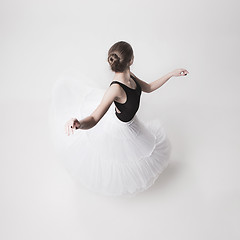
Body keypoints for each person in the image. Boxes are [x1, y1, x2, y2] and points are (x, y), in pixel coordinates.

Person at [49, 41, 189, 197]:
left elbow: (148, 87)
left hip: (131, 122)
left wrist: (171, 74)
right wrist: (79, 124)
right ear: (131, 60)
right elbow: (95, 118)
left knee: (144, 151)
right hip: (120, 127)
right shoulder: (115, 89)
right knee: (120, 160)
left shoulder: (131, 76)